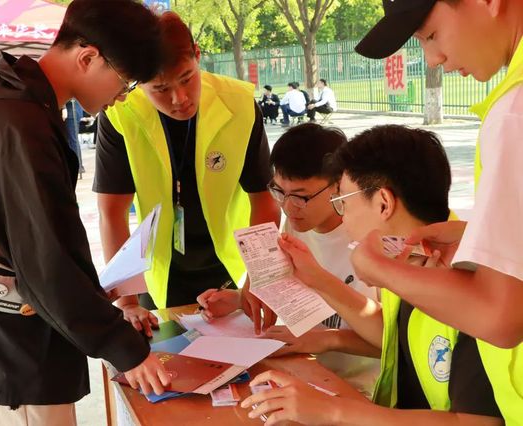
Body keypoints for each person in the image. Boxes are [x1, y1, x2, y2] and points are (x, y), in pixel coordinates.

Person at [0, 1, 171, 424]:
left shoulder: (15, 107)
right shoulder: (20, 124)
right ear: (88, 58)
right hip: (11, 357)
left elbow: (36, 241)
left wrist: (98, 304)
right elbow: (45, 260)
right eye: (124, 83)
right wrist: (124, 348)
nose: (120, 97)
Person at [242, 125, 503, 426]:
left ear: (383, 203)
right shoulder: (415, 258)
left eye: (343, 202)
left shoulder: (471, 286)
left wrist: (332, 410)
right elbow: (394, 338)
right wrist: (315, 279)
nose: (343, 216)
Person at [353, 2, 523, 422]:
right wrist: (480, 236)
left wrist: (379, 269)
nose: (433, 59)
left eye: (430, 35)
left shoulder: (513, 115)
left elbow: (500, 318)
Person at [94, 11, 280, 337]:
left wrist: (259, 278)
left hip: (230, 264)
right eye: (160, 88)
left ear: (197, 54)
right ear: (137, 80)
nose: (179, 99)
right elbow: (112, 212)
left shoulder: (238, 104)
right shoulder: (120, 113)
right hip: (158, 270)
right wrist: (127, 303)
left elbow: (264, 199)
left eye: (186, 78)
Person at [198, 123, 380, 395]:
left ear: (339, 185)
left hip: (362, 390)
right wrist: (239, 300)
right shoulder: (297, 225)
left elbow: (393, 340)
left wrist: (327, 340)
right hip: (308, 372)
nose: (287, 207)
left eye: (301, 197)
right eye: (279, 192)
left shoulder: (371, 240)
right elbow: (302, 298)